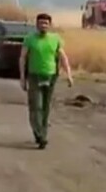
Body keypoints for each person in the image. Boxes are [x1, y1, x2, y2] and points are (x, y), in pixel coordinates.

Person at [19, 12, 73, 149]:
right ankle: (40, 135)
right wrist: (22, 77)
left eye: (46, 23)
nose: (43, 25)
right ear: (37, 24)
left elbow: (63, 57)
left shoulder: (55, 39)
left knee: (46, 107)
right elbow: (23, 58)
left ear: (50, 25)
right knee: (36, 106)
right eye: (41, 23)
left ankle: (42, 133)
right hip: (34, 76)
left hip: (50, 76)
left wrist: (69, 75)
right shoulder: (30, 39)